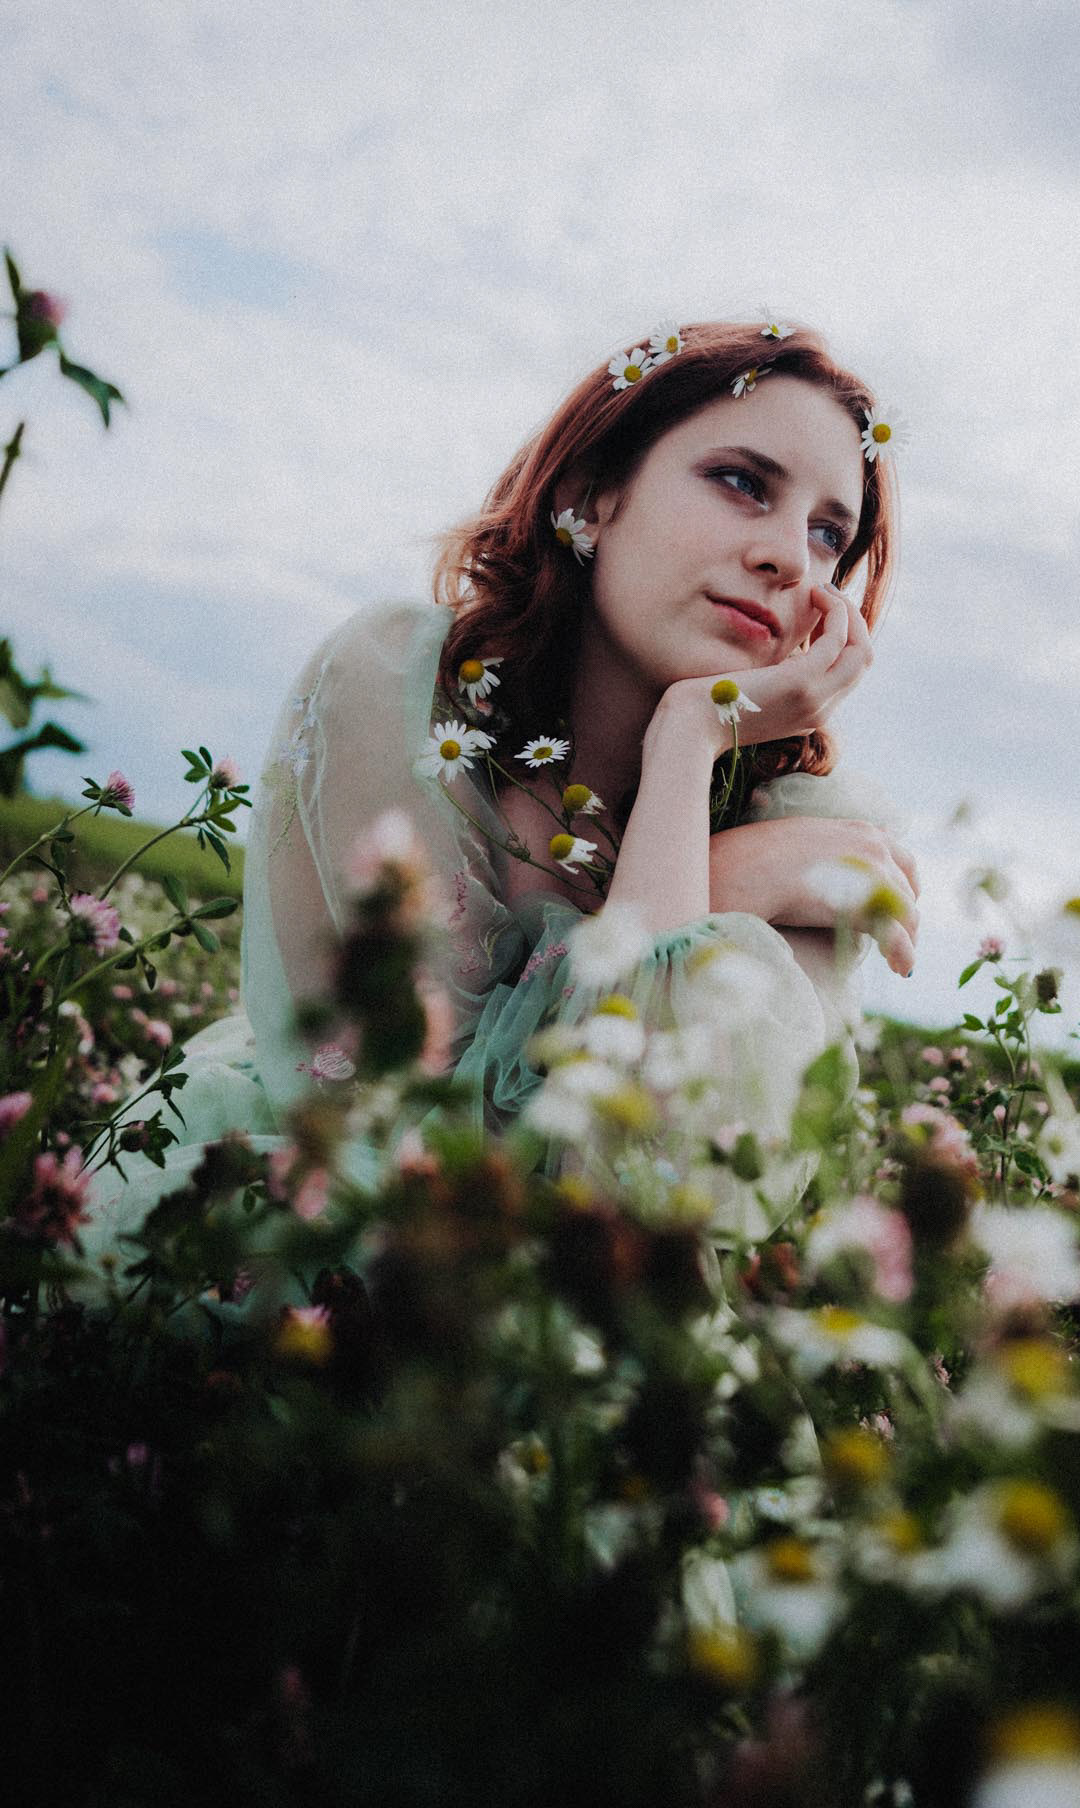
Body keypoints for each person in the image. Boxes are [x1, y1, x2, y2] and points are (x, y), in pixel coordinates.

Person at [81, 317, 919, 1272]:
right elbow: (420, 1164)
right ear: (590, 493)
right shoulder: (398, 690)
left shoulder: (804, 832)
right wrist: (720, 880)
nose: (790, 559)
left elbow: (639, 1189)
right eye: (741, 482)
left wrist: (691, 748)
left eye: (827, 534)